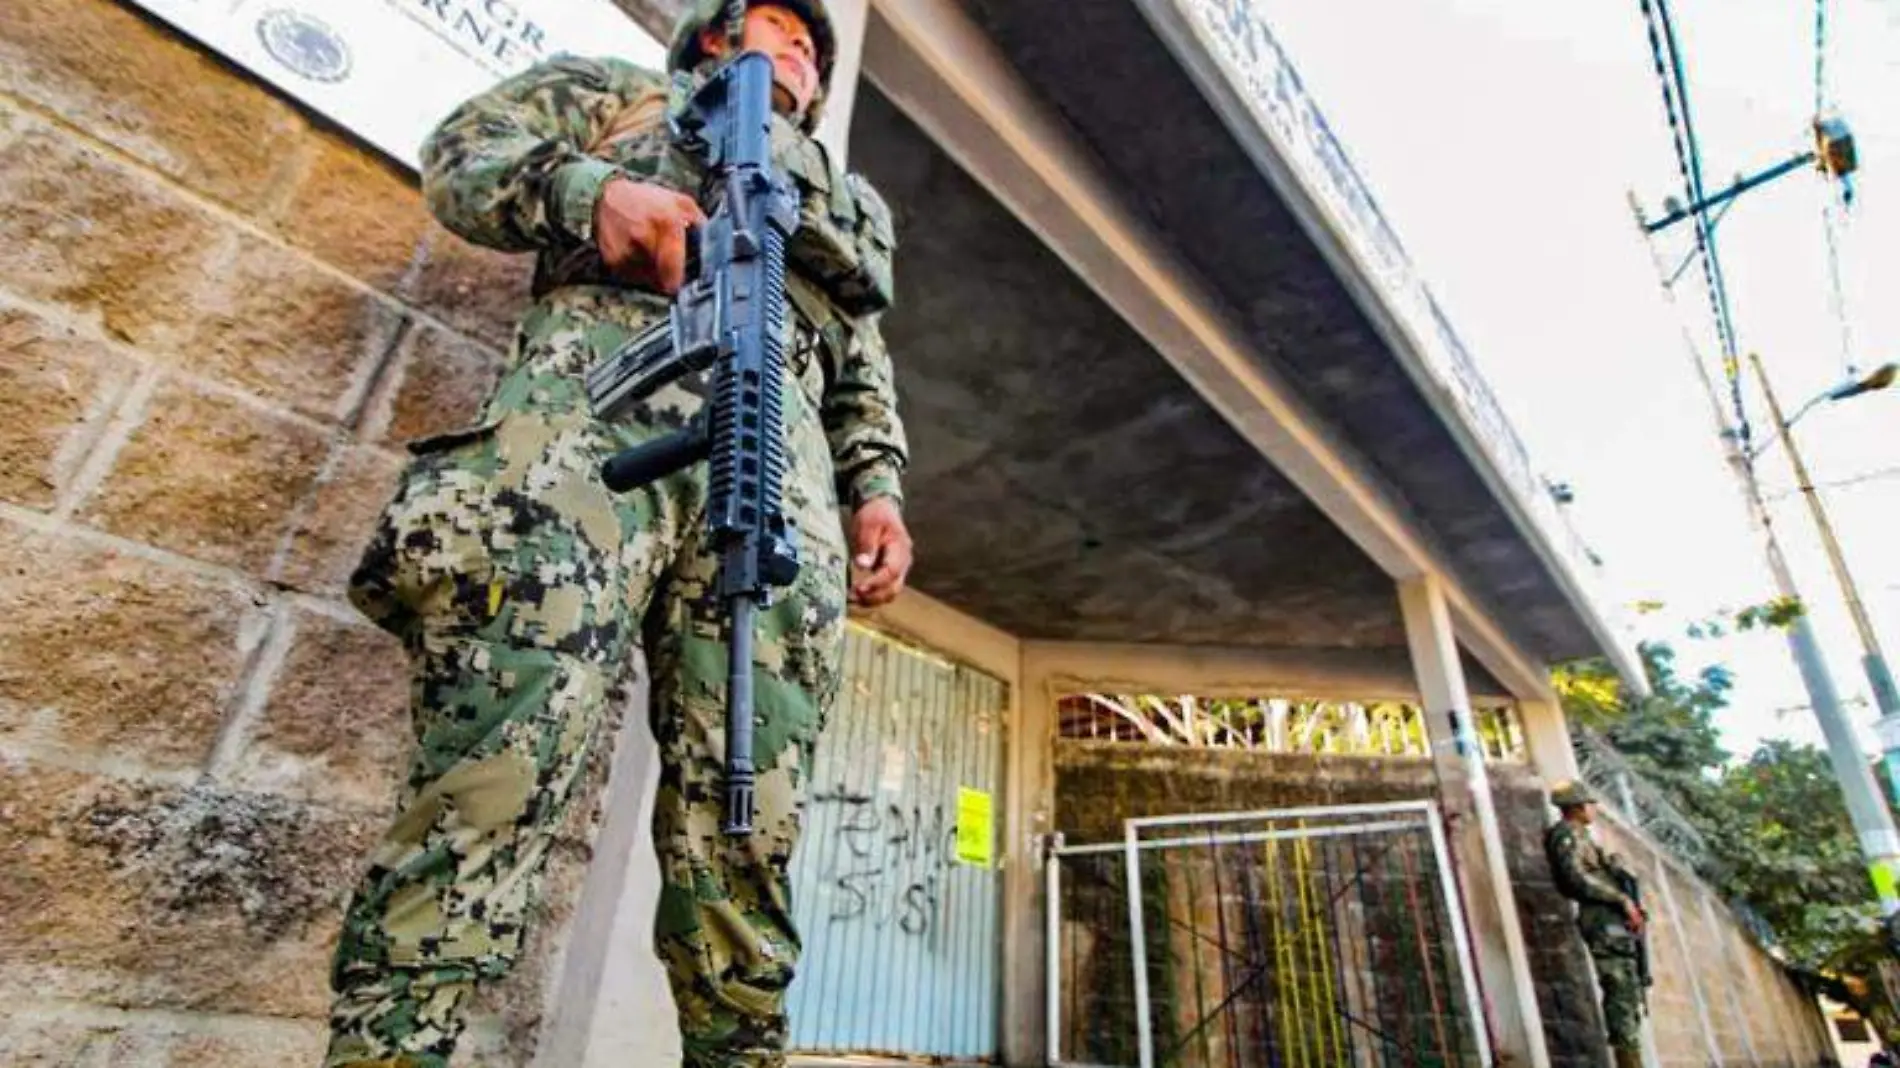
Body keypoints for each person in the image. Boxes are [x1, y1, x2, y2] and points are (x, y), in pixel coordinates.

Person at [321, 2, 912, 1064]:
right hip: (583, 440)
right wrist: (591, 192)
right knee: (489, 775)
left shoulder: (842, 199)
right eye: (769, 25)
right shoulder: (614, 94)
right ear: (711, 40)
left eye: (811, 45)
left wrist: (878, 489)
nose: (796, 49)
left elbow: (859, 370)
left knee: (750, 814)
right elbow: (463, 153)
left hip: (781, 474)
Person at [1544, 780, 1649, 1068]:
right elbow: (1575, 878)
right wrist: (1620, 899)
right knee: (1619, 990)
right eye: (1590, 804)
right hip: (1601, 920)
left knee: (1627, 988)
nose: (1594, 810)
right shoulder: (1566, 835)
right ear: (1577, 807)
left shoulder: (1584, 837)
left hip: (1610, 921)